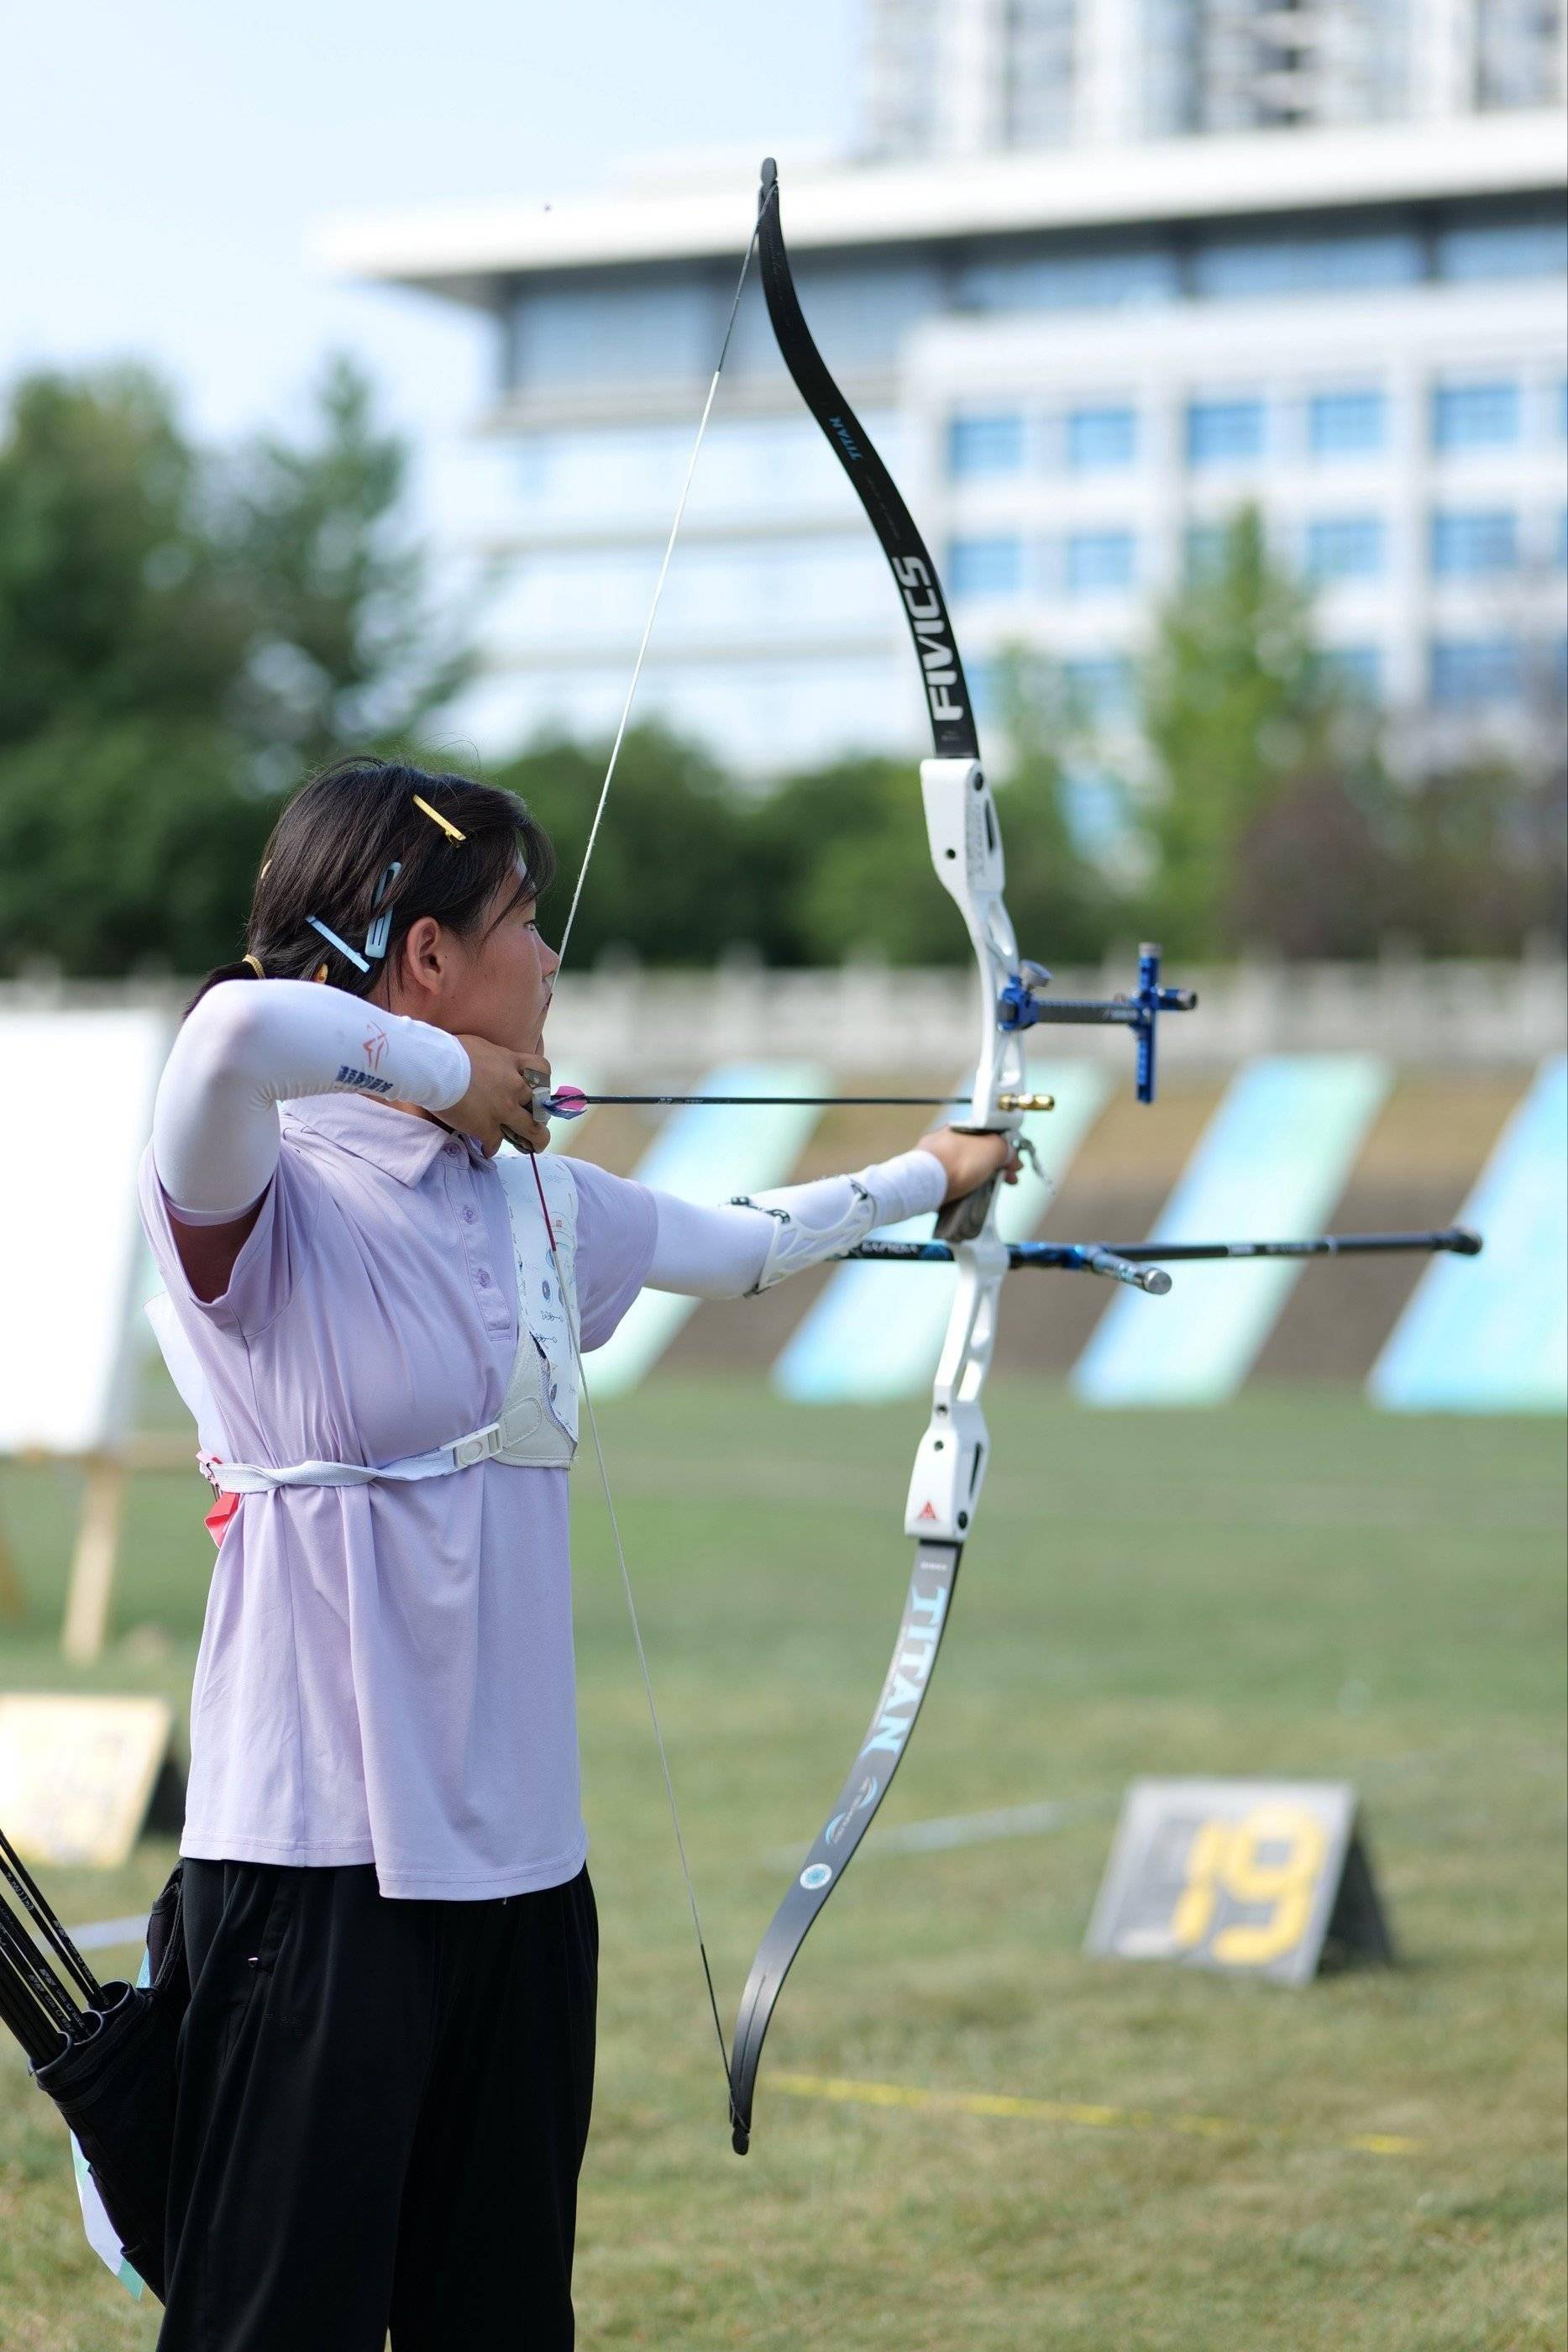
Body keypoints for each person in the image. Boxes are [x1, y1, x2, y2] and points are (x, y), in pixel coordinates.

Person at [139, 754, 1016, 2351]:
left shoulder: (531, 1201)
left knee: (498, 2321)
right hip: (312, 1872)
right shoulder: (267, 1186)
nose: (550, 959)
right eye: (523, 922)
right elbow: (226, 1032)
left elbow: (746, 1246)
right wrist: (441, 1074)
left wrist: (936, 1172)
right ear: (424, 956)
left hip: (527, 1879)